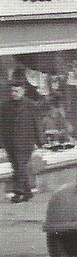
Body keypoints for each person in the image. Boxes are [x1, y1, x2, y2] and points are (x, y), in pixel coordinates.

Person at [1, 70, 42, 202]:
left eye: (16, 91)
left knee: (20, 166)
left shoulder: (30, 105)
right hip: (10, 142)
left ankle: (18, 193)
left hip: (25, 142)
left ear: (23, 90)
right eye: (12, 91)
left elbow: (37, 124)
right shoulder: (5, 107)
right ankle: (28, 191)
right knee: (16, 166)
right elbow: (2, 125)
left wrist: (40, 141)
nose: (14, 94)